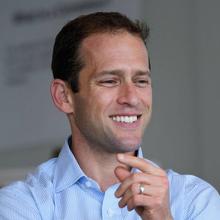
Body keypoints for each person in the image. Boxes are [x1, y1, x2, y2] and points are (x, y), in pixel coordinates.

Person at [0, 12, 219, 220]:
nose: (132, 98)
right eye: (110, 81)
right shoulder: (20, 205)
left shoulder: (195, 200)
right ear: (64, 96)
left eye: (141, 81)